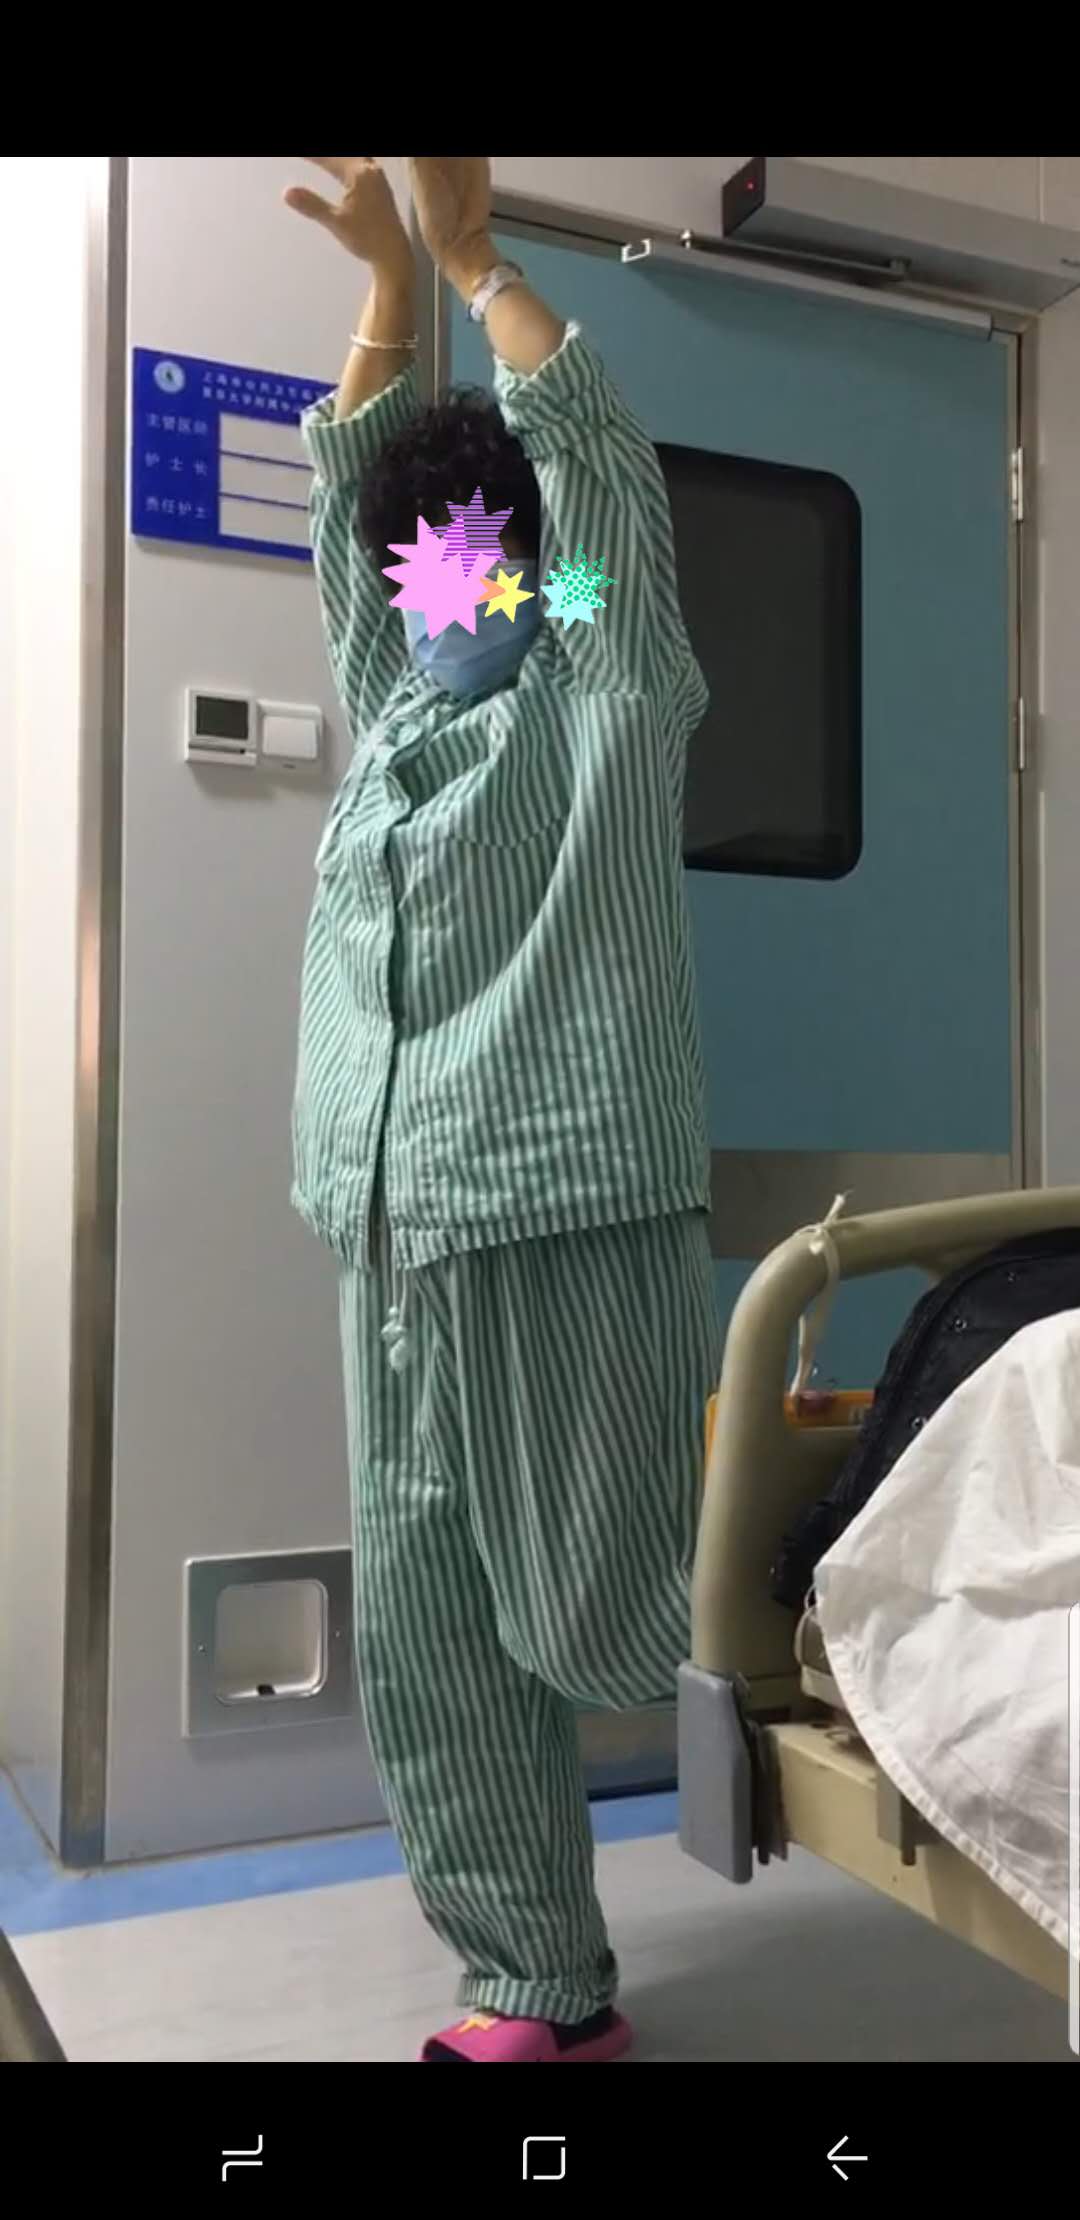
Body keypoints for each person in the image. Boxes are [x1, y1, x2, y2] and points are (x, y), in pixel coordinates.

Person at [285, 155, 721, 2063]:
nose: (444, 581)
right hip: (393, 1223)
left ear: (534, 555)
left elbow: (605, 495)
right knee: (431, 1630)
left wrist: (473, 265)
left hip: (561, 1202)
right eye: (424, 558)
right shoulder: (402, 708)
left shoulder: (600, 680)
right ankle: (535, 1982)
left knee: (607, 1599)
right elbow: (345, 523)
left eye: (477, 546)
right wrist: (384, 299)